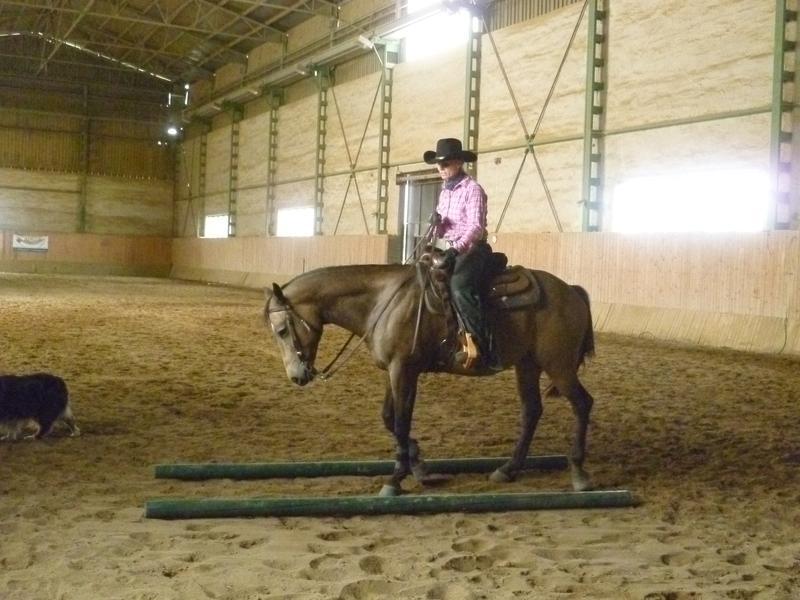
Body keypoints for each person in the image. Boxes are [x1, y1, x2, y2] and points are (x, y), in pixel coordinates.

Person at [424, 138, 500, 371]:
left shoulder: (472, 189)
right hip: (451, 248)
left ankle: (482, 346)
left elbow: (476, 227)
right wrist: (437, 224)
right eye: (438, 164)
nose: (440, 168)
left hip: (473, 249)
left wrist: (456, 249)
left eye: (445, 163)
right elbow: (444, 230)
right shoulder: (445, 192)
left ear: (458, 163)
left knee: (459, 287)